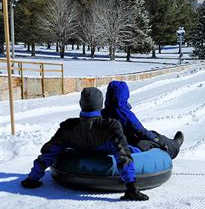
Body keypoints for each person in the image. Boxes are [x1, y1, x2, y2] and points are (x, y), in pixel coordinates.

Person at [21, 87, 149, 201]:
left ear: (81, 104)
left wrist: (32, 178)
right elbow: (123, 154)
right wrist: (131, 186)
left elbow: (50, 152)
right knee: (142, 145)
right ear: (100, 105)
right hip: (107, 152)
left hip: (81, 151)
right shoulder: (110, 126)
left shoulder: (69, 127)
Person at [101, 81, 183, 159]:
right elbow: (140, 131)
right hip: (129, 145)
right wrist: (157, 140)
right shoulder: (126, 115)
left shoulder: (103, 113)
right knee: (152, 138)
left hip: (111, 144)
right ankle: (175, 146)